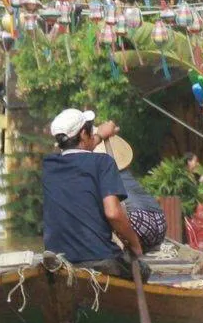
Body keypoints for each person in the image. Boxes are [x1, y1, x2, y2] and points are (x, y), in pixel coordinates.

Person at [40, 107, 144, 277]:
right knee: (143, 270)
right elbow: (113, 214)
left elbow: (75, 153)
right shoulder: (103, 163)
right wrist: (135, 244)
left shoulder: (49, 166)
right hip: (100, 258)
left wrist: (100, 135)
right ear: (83, 134)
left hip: (60, 261)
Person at [94, 121, 167, 254]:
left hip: (138, 221)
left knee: (104, 207)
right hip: (160, 221)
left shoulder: (103, 173)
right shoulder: (125, 172)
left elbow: (112, 213)